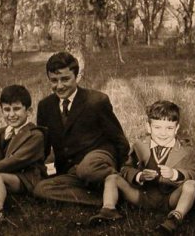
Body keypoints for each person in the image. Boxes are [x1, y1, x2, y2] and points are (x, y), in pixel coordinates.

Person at [90, 100, 195, 235]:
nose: (163, 133)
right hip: (141, 195)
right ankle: (109, 210)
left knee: (191, 185)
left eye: (169, 128)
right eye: (157, 127)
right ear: (148, 127)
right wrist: (139, 176)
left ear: (177, 128)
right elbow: (125, 169)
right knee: (112, 178)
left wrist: (175, 174)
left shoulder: (186, 150)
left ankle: (175, 218)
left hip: (170, 198)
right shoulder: (140, 146)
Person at [33, 52, 130, 206]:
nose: (59, 86)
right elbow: (43, 147)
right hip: (71, 170)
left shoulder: (96, 100)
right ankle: (107, 197)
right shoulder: (45, 106)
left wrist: (125, 168)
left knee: (87, 169)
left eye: (65, 79)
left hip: (98, 162)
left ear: (77, 77)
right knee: (41, 189)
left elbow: (118, 139)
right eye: (54, 80)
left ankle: (118, 183)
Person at [0, 85, 47, 223]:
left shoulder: (35, 135)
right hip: (4, 173)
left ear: (29, 111)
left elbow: (17, 160)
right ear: (1, 111)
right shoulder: (1, 132)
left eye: (17, 109)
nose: (11, 114)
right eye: (7, 110)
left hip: (27, 178)